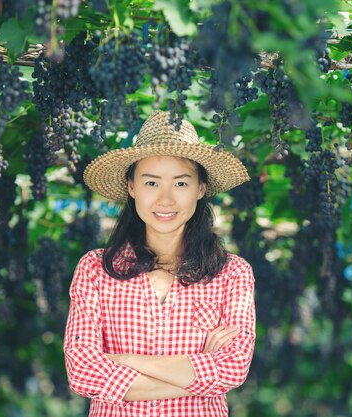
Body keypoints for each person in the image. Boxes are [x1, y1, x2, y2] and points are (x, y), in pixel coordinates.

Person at [63, 110, 256, 417]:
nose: (165, 200)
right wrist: (200, 371)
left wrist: (123, 360)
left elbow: (232, 370)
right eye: (151, 183)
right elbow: (82, 372)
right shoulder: (94, 269)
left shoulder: (232, 273)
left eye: (181, 184)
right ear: (131, 186)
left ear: (201, 189)